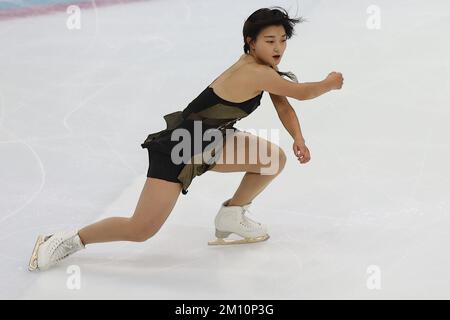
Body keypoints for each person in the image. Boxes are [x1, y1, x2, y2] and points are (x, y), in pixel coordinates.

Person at [28, 6, 343, 271]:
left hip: (211, 140)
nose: (278, 48)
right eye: (270, 40)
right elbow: (301, 93)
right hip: (180, 147)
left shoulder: (264, 68)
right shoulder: (254, 72)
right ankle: (67, 240)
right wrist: (330, 82)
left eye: (283, 40)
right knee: (141, 229)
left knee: (273, 158)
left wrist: (298, 138)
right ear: (250, 42)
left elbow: (283, 104)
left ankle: (232, 214)